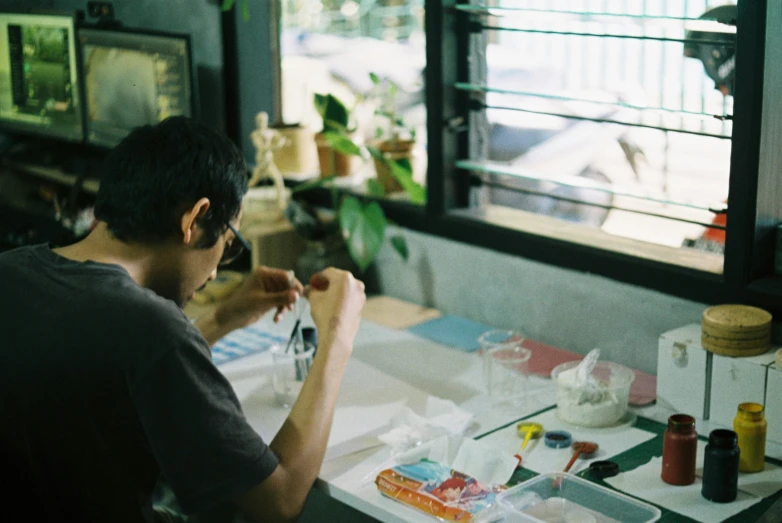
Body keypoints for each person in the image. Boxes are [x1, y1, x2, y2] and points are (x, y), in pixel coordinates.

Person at [0, 116, 366, 522]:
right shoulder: (151, 329)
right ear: (194, 220)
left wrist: (222, 318)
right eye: (228, 244)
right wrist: (337, 336)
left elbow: (116, 369)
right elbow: (279, 500)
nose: (214, 273)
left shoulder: (12, 269)